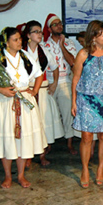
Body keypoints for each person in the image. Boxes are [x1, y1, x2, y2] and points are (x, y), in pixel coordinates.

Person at [0, 27, 46, 188]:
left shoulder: (25, 57)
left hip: (24, 101)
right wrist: (0, 90)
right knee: (8, 139)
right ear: (6, 42)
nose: (20, 42)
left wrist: (34, 91)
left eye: (20, 39)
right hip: (5, 102)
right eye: (16, 40)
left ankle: (20, 175)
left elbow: (39, 74)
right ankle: (7, 176)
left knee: (23, 139)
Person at [71, 20, 103, 187]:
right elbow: (75, 79)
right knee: (86, 137)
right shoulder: (83, 54)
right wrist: (73, 101)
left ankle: (100, 168)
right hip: (86, 99)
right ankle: (84, 168)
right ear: (93, 36)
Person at [22, 21, 64, 166]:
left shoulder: (45, 51)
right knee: (28, 123)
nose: (39, 34)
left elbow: (55, 67)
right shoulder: (22, 52)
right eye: (36, 31)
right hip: (27, 90)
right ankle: (27, 156)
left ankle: (42, 155)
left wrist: (54, 83)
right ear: (28, 35)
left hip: (42, 91)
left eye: (40, 31)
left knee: (43, 122)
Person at [41, 13, 78, 155]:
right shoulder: (44, 45)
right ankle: (48, 143)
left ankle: (69, 143)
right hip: (49, 83)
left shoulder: (69, 43)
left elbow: (72, 62)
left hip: (65, 82)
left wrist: (62, 46)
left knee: (68, 113)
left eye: (60, 23)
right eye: (55, 24)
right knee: (48, 114)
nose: (59, 26)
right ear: (49, 29)